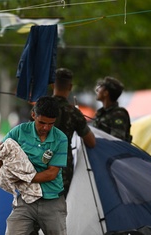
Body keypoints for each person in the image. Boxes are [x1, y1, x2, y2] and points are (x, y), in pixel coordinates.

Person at [0, 96, 68, 235]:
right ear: (33, 115)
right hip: (26, 199)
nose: (46, 128)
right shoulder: (20, 131)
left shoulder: (60, 138)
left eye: (51, 124)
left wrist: (22, 178)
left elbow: (51, 174)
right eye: (42, 122)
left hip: (52, 200)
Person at [52, 67, 96, 197]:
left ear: (53, 84)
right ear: (70, 87)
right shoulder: (74, 113)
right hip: (62, 170)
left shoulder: (40, 107)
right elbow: (91, 142)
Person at [92, 76, 132, 142]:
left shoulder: (119, 115)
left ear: (106, 93)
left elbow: (117, 142)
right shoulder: (101, 113)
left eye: (101, 87)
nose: (98, 90)